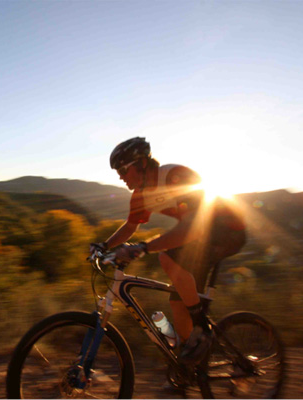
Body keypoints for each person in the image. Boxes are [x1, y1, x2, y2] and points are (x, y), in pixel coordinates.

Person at [90, 137, 246, 366]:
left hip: (227, 231)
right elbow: (131, 226)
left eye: (123, 169)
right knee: (177, 302)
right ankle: (189, 364)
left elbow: (195, 228)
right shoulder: (141, 195)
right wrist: (105, 245)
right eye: (118, 172)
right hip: (200, 237)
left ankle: (201, 329)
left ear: (142, 164)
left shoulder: (176, 176)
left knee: (166, 257)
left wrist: (144, 247)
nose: (120, 176)